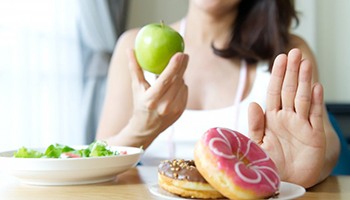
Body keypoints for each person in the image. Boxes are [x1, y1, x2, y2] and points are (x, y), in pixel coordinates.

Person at [96, 0, 340, 188]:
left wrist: (299, 172)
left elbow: (325, 144)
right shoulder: (133, 46)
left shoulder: (287, 52)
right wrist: (140, 129)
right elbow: (96, 162)